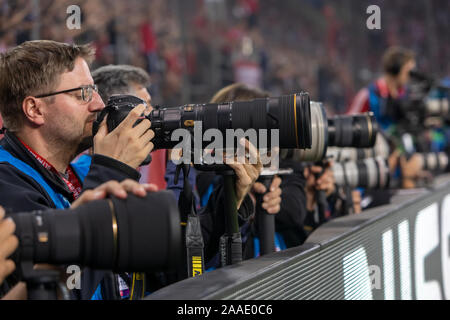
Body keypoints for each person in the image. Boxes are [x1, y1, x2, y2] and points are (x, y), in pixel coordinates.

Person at [0, 40, 160, 299]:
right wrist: (112, 171)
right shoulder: (8, 188)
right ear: (34, 109)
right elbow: (67, 289)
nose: (98, 104)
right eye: (83, 93)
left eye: (95, 90)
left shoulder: (71, 175)